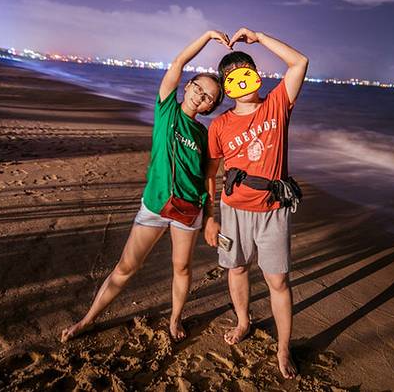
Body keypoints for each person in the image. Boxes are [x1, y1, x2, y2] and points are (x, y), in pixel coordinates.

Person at [61, 30, 229, 343]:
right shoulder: (167, 110)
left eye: (208, 97)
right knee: (126, 267)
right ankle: (86, 320)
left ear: (210, 107)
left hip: (188, 210)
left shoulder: (205, 136)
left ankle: (175, 319)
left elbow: (207, 177)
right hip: (155, 204)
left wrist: (210, 215)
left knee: (182, 268)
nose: (200, 97)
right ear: (187, 86)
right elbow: (178, 62)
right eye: (197, 88)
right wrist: (207, 36)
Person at [204, 28, 308, 379]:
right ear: (226, 86)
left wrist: (260, 38)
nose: (241, 80)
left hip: (273, 211)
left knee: (278, 281)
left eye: (246, 72)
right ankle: (243, 321)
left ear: (256, 75)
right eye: (232, 77)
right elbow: (211, 173)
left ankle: (283, 348)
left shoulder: (277, 104)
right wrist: (210, 216)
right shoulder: (219, 125)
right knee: (236, 269)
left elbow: (299, 62)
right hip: (233, 210)